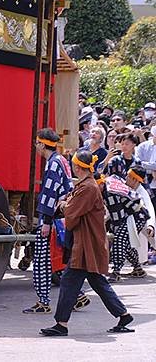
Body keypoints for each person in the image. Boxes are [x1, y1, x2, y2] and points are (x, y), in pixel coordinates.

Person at [40, 150, 134, 337]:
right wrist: (66, 203)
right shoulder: (85, 185)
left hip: (85, 245)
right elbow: (71, 206)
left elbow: (71, 213)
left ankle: (61, 324)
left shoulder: (88, 188)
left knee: (69, 280)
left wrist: (63, 204)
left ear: (77, 167)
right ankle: (123, 315)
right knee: (96, 281)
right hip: (85, 243)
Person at [23, 128, 87, 314]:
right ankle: (78, 294)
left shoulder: (52, 164)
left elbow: (50, 195)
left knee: (42, 262)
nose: (36, 146)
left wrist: (45, 221)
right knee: (58, 261)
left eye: (37, 143)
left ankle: (43, 301)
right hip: (61, 218)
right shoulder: (61, 160)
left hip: (52, 219)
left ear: (42, 144)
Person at [135, 125, 156, 210]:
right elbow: (137, 163)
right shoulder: (143, 146)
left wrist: (147, 165)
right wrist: (153, 166)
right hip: (143, 179)